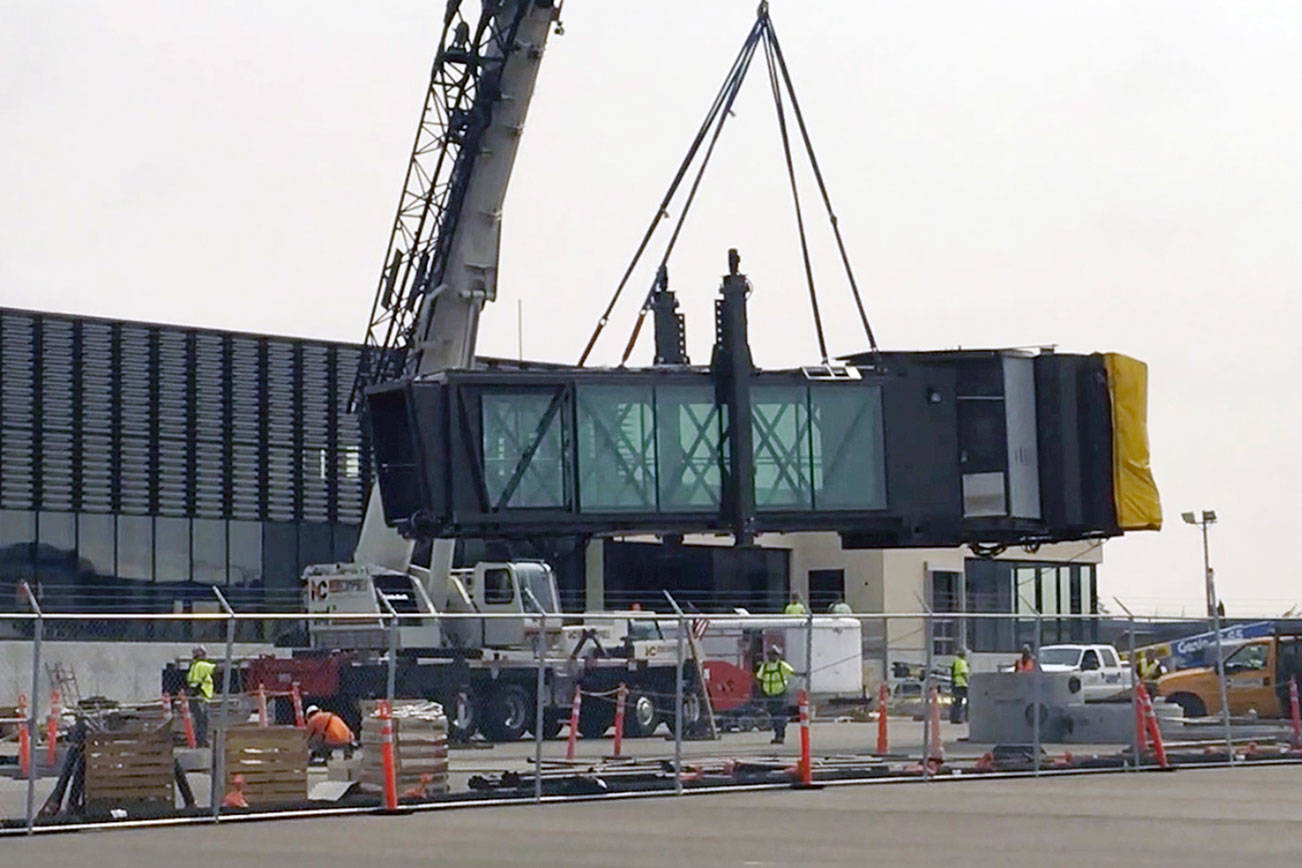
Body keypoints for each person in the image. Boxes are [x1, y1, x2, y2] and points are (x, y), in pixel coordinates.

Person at [755, 646, 795, 744]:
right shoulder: (764, 667)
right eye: (770, 654)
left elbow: (792, 673)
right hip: (769, 695)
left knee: (780, 716)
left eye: (774, 654)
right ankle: (777, 735)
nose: (772, 656)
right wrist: (762, 690)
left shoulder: (782, 665)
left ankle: (780, 736)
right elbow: (758, 678)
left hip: (781, 695)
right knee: (773, 716)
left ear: (778, 656)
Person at [185, 646, 216, 747]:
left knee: (198, 720)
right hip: (200, 696)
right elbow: (216, 668)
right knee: (203, 721)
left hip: (194, 696)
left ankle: (200, 740)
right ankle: (202, 741)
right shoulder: (202, 665)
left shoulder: (194, 666)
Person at [949, 647, 970, 723]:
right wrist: (968, 682)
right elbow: (964, 673)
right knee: (963, 701)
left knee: (956, 702)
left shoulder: (956, 661)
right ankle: (963, 717)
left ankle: (954, 718)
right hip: (962, 684)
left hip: (955, 683)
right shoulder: (962, 662)